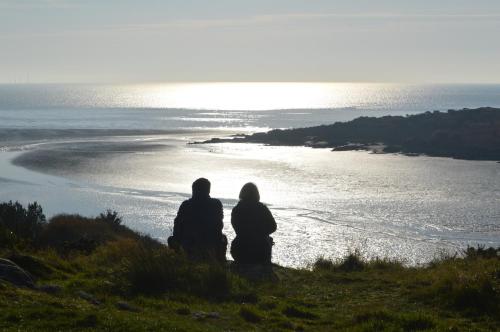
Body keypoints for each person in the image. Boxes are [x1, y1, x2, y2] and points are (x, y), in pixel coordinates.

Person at [168, 178, 227, 262]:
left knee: (171, 239)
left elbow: (177, 227)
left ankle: (178, 261)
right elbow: (219, 227)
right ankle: (220, 262)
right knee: (223, 238)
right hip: (209, 246)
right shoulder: (216, 204)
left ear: (194, 190)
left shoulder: (185, 205)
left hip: (187, 246)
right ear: (208, 190)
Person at [230, 183, 277, 265]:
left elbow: (237, 228)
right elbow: (273, 227)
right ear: (256, 194)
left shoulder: (236, 209)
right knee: (268, 239)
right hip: (260, 252)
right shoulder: (262, 208)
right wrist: (261, 234)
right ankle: (266, 265)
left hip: (239, 251)